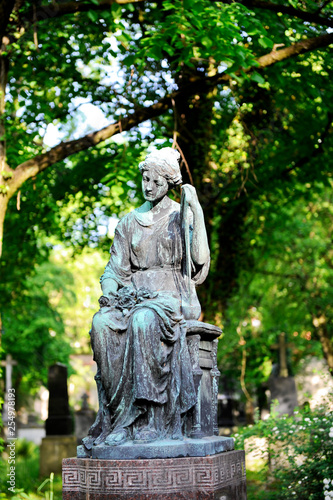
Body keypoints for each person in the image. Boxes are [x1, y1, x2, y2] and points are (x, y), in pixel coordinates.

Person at [83, 147, 210, 449]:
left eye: (155, 180)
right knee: (101, 324)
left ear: (168, 181)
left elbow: (200, 258)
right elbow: (114, 270)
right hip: (132, 296)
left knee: (143, 320)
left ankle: (149, 420)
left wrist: (195, 209)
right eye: (144, 179)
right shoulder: (128, 222)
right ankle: (119, 419)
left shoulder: (181, 216)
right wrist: (110, 293)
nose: (148, 186)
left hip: (169, 296)